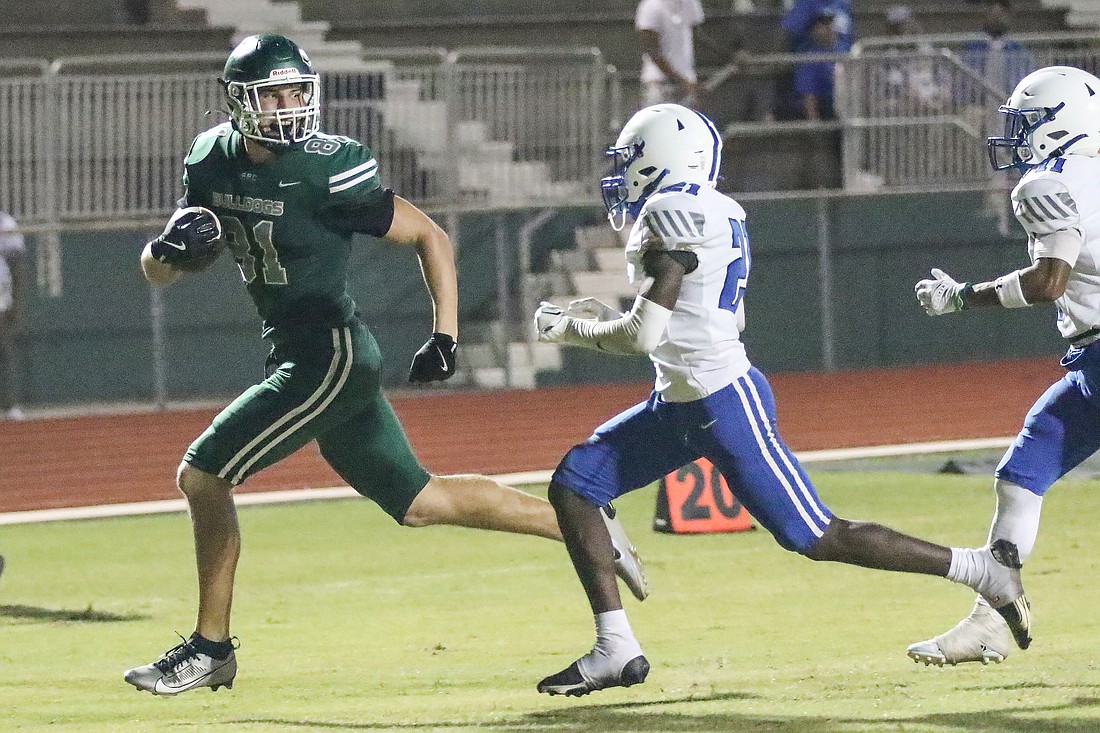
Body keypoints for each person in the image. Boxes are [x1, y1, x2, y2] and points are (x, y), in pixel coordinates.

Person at [122, 33, 649, 697]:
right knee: (421, 501)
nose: (288, 107)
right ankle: (586, 525)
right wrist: (166, 249)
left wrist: (445, 333)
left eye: (296, 93)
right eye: (273, 95)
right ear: (239, 101)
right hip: (296, 350)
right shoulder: (210, 159)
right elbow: (161, 271)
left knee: (203, 475)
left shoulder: (327, 168)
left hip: (328, 356)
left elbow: (430, 233)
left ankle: (211, 648)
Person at [530, 103, 1031, 696]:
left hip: (721, 402)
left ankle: (981, 569)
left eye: (629, 159)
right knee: (576, 484)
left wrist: (569, 329)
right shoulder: (710, 207)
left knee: (817, 536)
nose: (621, 173)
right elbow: (695, 316)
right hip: (682, 400)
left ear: (659, 157)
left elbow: (643, 335)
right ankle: (615, 649)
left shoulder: (672, 211)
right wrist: (607, 319)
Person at [911, 65, 1100, 666]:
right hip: (1092, 361)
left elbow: (1048, 282)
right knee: (1023, 472)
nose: (1017, 135)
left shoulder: (1050, 183)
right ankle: (988, 622)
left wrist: (962, 297)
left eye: (1028, 122)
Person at [635, 0, 705, 107]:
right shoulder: (650, 5)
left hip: (687, 82)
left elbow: (697, 37)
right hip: (658, 83)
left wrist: (727, 56)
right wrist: (679, 81)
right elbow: (652, 50)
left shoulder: (691, 2)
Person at [0, 211, 26, 421]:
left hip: (1, 297)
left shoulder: (5, 222)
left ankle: (9, 404)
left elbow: (17, 263)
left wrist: (16, 304)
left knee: (5, 350)